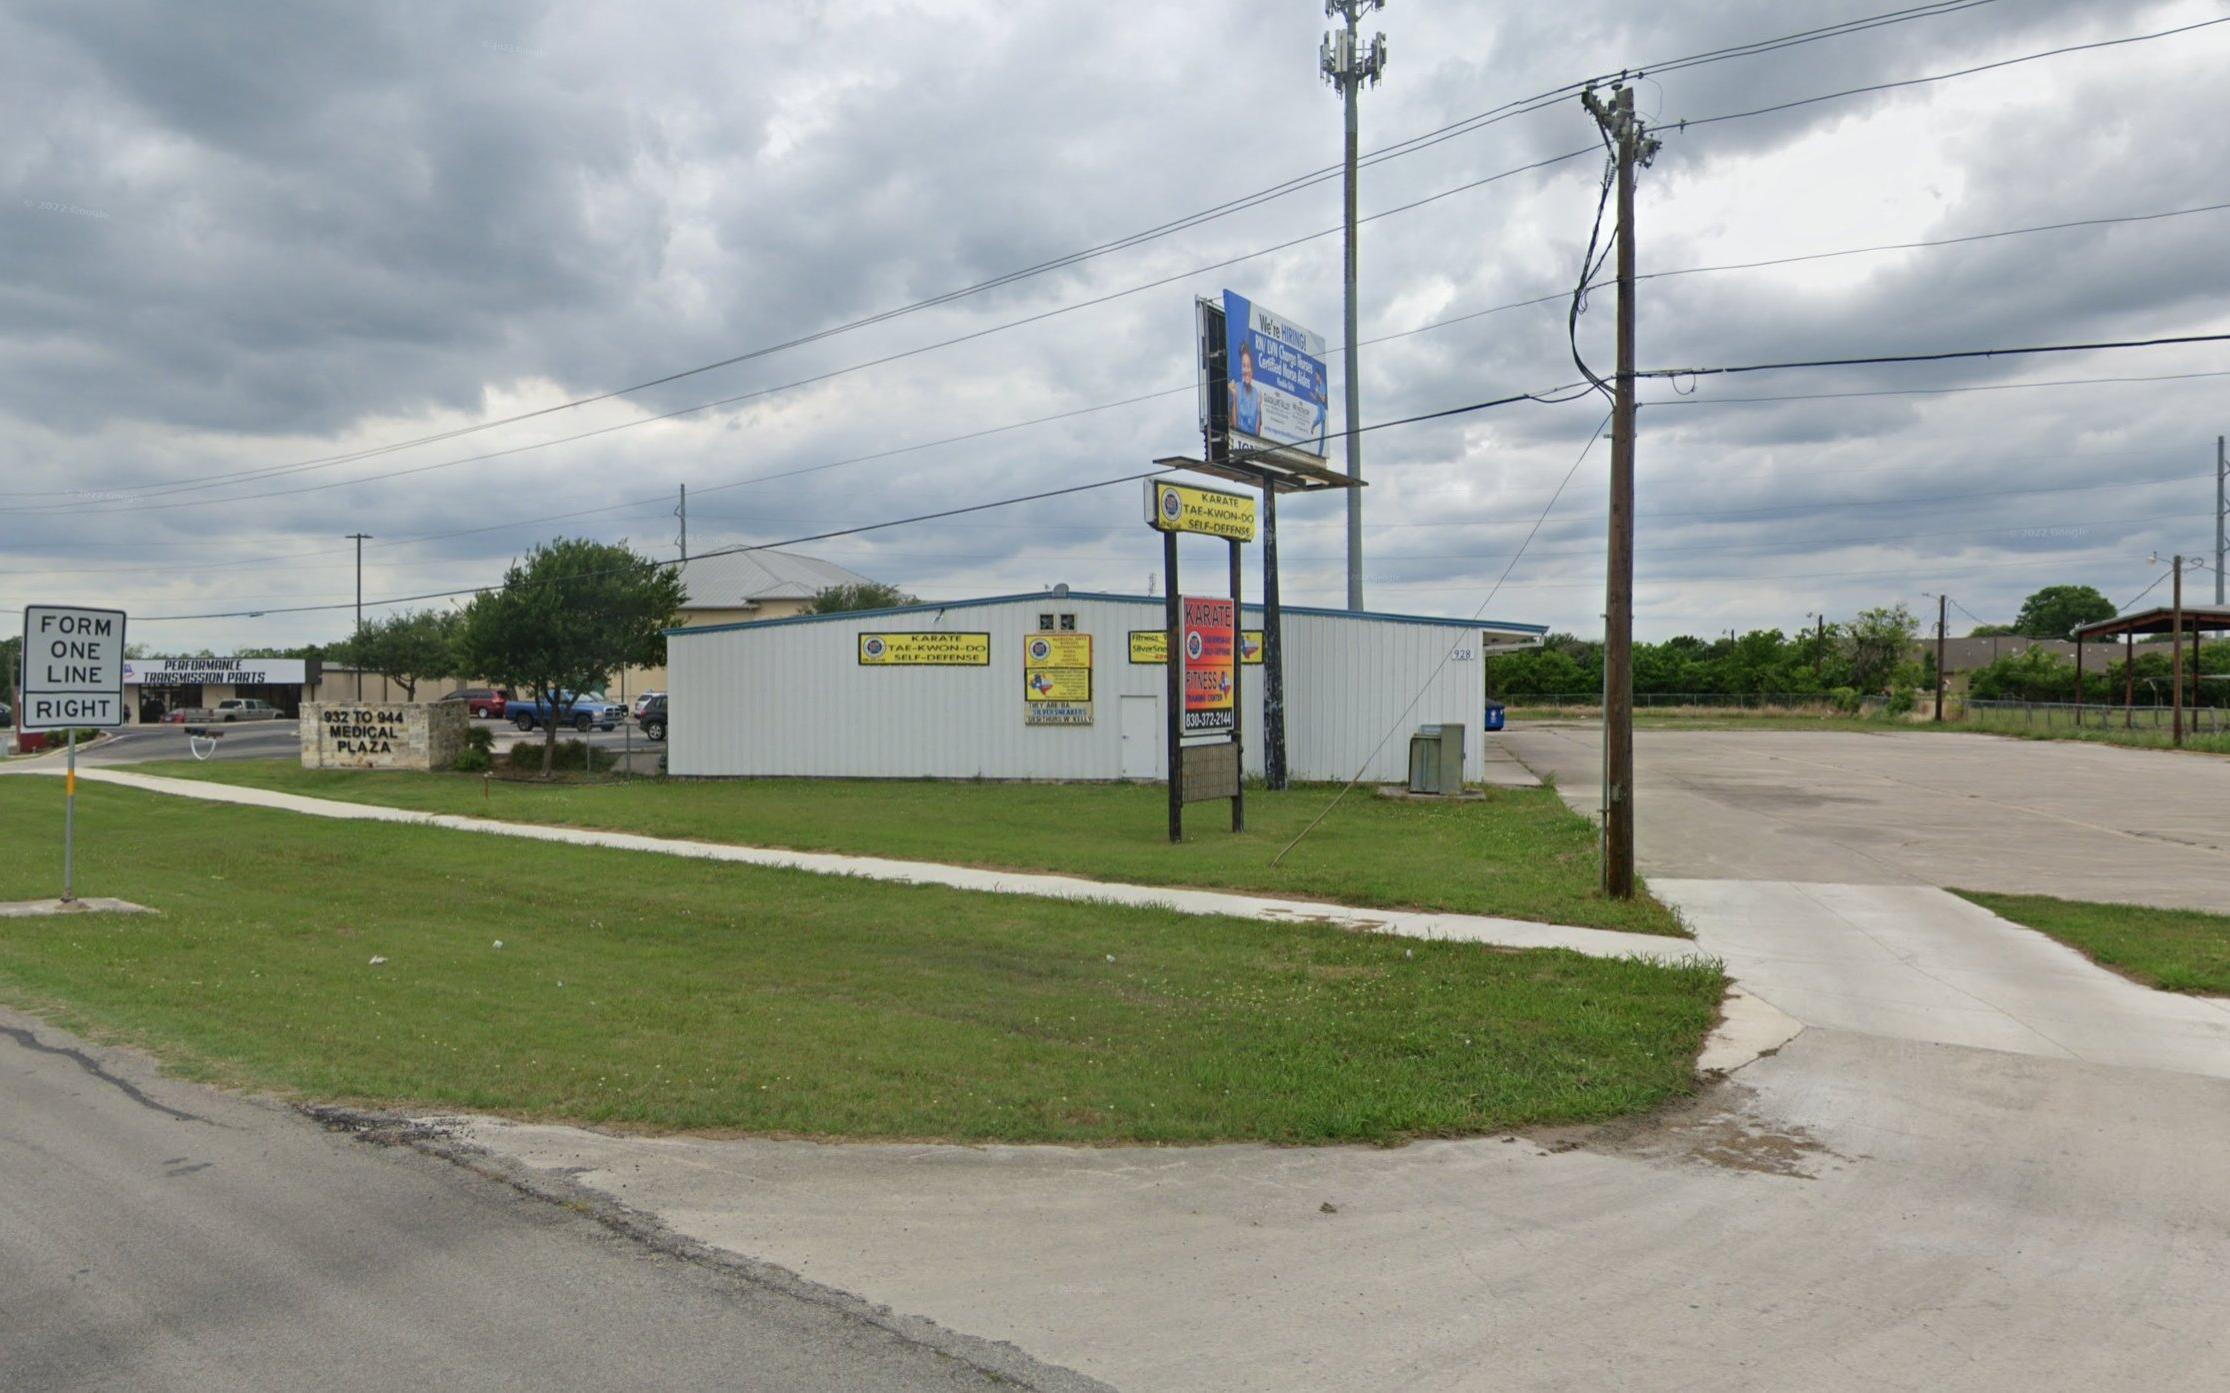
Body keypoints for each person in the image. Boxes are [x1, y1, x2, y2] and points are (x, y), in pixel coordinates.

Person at [1229, 342, 1262, 438]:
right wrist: (1234, 397)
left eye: (1248, 366)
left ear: (1252, 369)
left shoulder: (1256, 394)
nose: (1246, 370)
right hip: (1238, 441)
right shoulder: (1237, 388)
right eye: (1244, 366)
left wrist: (1259, 406)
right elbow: (1235, 426)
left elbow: (1257, 432)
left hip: (1253, 445)